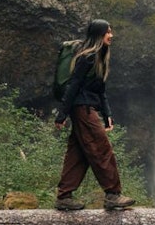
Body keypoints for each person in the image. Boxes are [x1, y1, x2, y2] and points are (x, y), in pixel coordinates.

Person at [54, 19, 136, 211]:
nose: (111, 35)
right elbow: (73, 85)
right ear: (99, 35)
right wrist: (62, 113)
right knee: (101, 149)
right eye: (108, 32)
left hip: (87, 108)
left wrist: (108, 114)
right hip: (83, 109)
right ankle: (112, 194)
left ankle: (64, 196)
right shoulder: (87, 57)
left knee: (78, 154)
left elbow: (100, 90)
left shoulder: (99, 58)